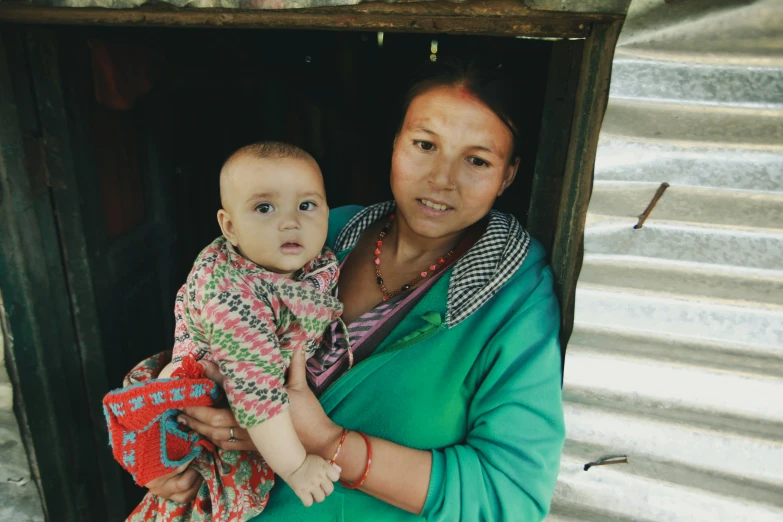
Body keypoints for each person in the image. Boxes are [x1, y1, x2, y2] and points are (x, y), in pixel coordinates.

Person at [145, 59, 566, 521]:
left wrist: (325, 442)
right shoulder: (323, 230)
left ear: (508, 175)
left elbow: (509, 497)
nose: (441, 179)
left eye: (477, 160)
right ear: (395, 145)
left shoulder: (513, 297)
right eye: (425, 145)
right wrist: (166, 447)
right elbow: (209, 320)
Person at [109, 142, 346, 519]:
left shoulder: (310, 259)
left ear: (327, 213)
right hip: (216, 407)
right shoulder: (231, 297)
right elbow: (257, 396)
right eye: (264, 208)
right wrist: (297, 468)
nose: (290, 221)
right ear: (230, 227)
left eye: (306, 205)